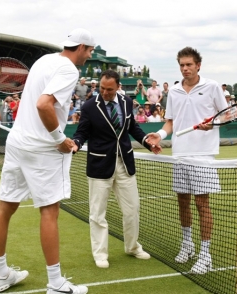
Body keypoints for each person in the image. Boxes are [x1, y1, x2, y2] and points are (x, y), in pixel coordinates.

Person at [0, 28, 95, 294]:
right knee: (49, 212)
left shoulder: (43, 61)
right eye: (90, 51)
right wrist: (60, 139)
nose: (90, 55)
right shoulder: (69, 70)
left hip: (17, 143)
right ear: (82, 47)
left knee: (5, 207)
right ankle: (56, 284)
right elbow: (44, 104)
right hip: (42, 149)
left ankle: (1, 275)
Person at [146, 46, 227, 274]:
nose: (185, 68)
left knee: (202, 204)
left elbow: (226, 115)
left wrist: (213, 124)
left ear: (198, 65)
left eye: (189, 64)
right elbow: (170, 122)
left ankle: (205, 253)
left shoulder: (211, 87)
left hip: (202, 155)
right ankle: (187, 244)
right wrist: (160, 135)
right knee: (182, 201)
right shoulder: (174, 91)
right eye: (182, 65)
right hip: (180, 154)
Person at [72, 70, 161, 269]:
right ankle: (100, 253)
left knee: (132, 209)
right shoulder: (89, 107)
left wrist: (147, 142)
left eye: (109, 89)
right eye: (102, 88)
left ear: (118, 87)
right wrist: (76, 143)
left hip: (124, 164)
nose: (104, 92)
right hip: (99, 166)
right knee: (97, 213)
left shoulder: (127, 102)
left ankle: (132, 247)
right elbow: (82, 131)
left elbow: (132, 129)